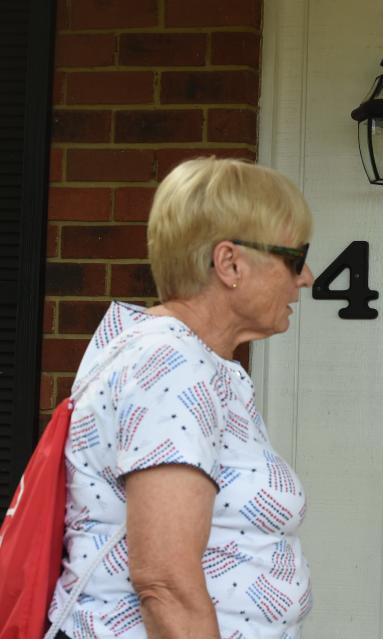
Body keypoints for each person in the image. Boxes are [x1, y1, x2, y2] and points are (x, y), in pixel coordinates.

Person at [47, 158, 315, 638]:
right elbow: (165, 582)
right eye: (294, 258)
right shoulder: (171, 363)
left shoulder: (185, 356)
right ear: (230, 263)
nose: (307, 276)